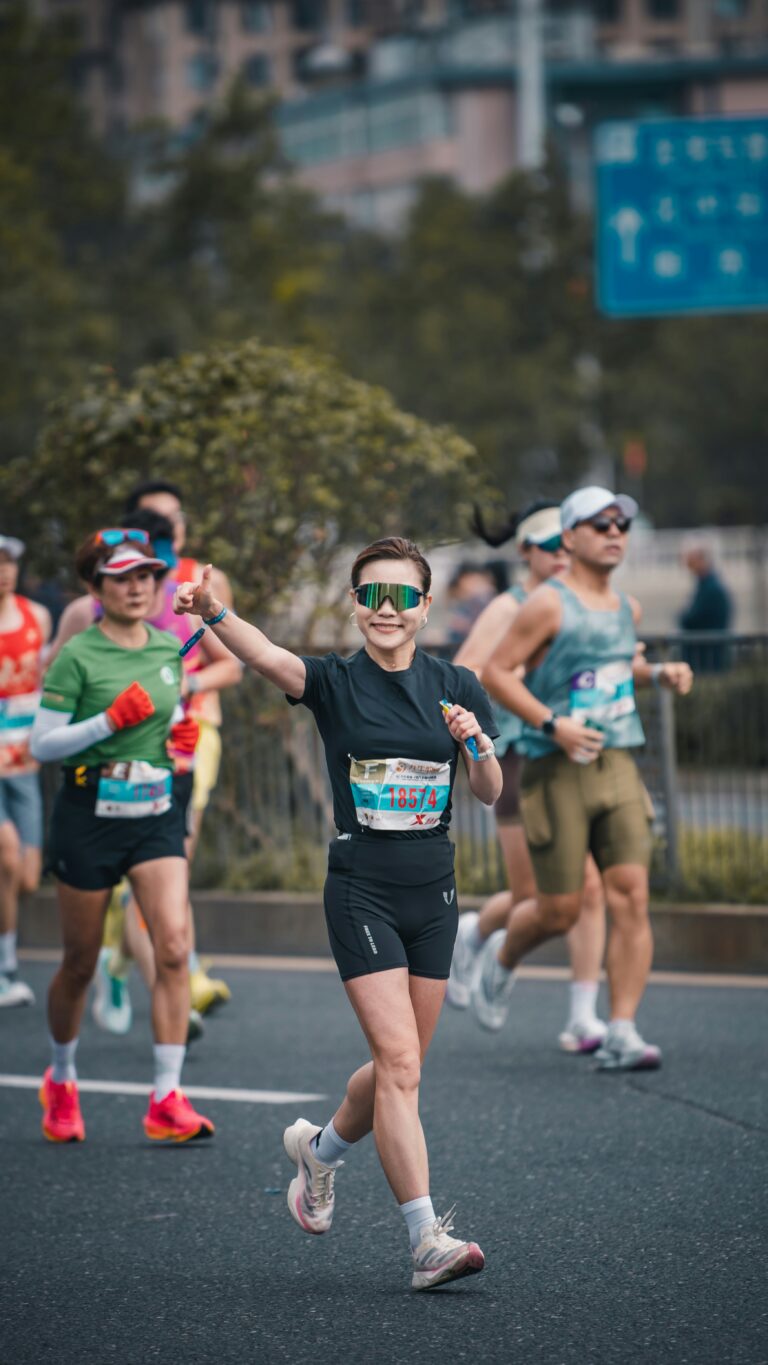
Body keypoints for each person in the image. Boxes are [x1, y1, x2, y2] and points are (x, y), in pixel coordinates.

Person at [173, 538, 502, 1291]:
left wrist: (475, 743)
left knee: (401, 1067)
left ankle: (318, 1151)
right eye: (372, 595)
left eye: (403, 597)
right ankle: (426, 1239)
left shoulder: (456, 684)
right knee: (400, 1064)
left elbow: (488, 790)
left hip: (435, 890)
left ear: (423, 606)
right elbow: (262, 654)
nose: (387, 610)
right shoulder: (333, 681)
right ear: (356, 603)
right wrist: (214, 609)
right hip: (362, 887)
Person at [480, 487, 693, 1072]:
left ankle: (621, 1028)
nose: (615, 532)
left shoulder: (627, 609)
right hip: (556, 768)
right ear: (570, 538)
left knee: (631, 896)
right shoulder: (546, 605)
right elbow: (497, 673)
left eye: (622, 523)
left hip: (618, 762)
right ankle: (501, 958)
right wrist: (553, 724)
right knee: (559, 910)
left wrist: (658, 673)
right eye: (600, 524)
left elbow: (613, 670)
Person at [29, 532, 214, 1144]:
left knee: (172, 947)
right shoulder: (77, 655)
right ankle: (60, 1077)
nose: (138, 587)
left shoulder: (168, 646)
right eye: (122, 577)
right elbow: (42, 745)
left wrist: (180, 742)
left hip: (155, 811)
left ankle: (166, 1097)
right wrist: (108, 721)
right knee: (80, 962)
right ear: (96, 587)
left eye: (147, 576)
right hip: (89, 812)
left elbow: (174, 718)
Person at [49, 479, 239, 1015]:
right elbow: (53, 696)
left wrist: (184, 685)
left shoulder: (199, 584)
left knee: (174, 857)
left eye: (173, 520)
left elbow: (232, 662)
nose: (166, 532)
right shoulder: (89, 617)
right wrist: (106, 715)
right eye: (155, 522)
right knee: (86, 940)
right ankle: (117, 956)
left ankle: (176, 971)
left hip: (189, 742)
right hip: (104, 771)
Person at [448, 502, 608, 1051]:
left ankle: (585, 1016)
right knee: (531, 895)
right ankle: (478, 933)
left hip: (573, 757)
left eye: (567, 544)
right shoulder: (509, 607)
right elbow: (464, 673)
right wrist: (509, 680)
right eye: (549, 547)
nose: (561, 556)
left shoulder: (581, 602)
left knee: (589, 885)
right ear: (525, 553)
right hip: (518, 753)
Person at [0, 535, 51, 1007]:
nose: (4, 571)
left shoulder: (37, 617)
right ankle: (6, 969)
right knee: (8, 855)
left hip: (24, 760)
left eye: (10, 562)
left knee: (29, 876)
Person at [679, 538, 733, 673]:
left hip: (708, 656)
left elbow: (692, 618)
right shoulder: (709, 585)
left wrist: (683, 618)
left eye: (692, 561)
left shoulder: (710, 588)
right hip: (709, 653)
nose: (689, 566)